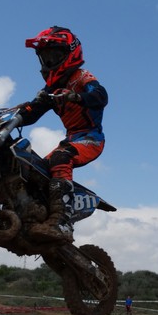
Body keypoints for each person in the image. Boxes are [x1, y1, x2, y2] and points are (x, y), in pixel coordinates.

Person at [17, 26, 108, 243]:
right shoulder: (50, 90)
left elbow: (100, 96)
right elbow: (31, 114)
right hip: (70, 140)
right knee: (34, 169)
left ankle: (62, 222)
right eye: (45, 58)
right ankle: (36, 216)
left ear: (70, 54)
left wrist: (75, 97)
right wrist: (15, 116)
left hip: (90, 138)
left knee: (60, 157)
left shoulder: (82, 78)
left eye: (54, 56)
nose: (49, 62)